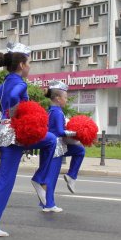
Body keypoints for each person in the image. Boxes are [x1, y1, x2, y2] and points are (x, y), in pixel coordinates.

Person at [0, 42, 57, 237]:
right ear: (22, 65)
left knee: (4, 180)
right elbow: (14, 97)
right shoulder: (20, 83)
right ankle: (39, 179)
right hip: (15, 133)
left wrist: (1, 116)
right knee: (50, 141)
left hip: (5, 131)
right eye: (28, 63)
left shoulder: (6, 82)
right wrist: (15, 114)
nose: (30, 66)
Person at [42, 80, 85, 213]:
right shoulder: (57, 112)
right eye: (65, 97)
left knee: (80, 150)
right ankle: (48, 204)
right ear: (57, 98)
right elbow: (60, 131)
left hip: (53, 146)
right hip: (55, 147)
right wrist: (75, 132)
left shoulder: (53, 110)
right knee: (52, 176)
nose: (67, 100)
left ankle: (71, 175)